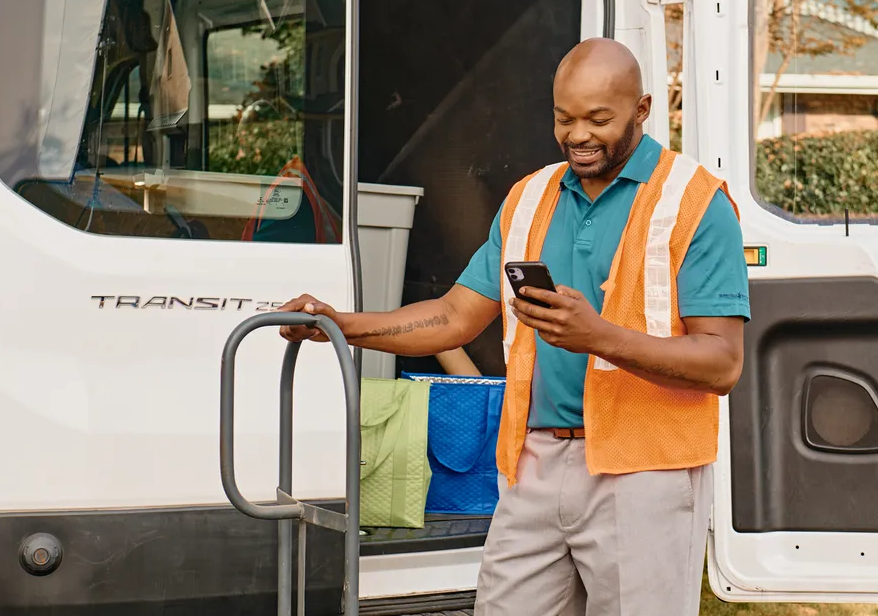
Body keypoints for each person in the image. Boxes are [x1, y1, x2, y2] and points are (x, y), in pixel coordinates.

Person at [277, 37, 750, 616]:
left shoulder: (697, 203)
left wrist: (596, 335)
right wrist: (340, 325)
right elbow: (453, 317)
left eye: (599, 119)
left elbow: (722, 363)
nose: (578, 135)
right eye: (563, 118)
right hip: (536, 465)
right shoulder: (529, 197)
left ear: (643, 109)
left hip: (645, 473)